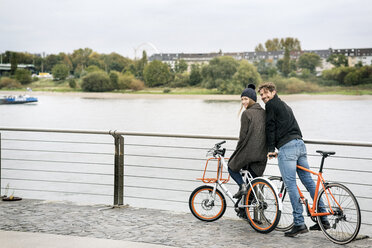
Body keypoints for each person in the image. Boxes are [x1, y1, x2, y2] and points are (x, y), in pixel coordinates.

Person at [258, 82, 329, 237]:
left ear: (273, 92)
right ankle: (324, 218)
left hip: (287, 147)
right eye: (261, 95)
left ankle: (299, 223)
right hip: (300, 145)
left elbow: (270, 127)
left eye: (265, 93)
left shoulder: (271, 106)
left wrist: (271, 150)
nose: (263, 97)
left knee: (290, 185)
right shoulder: (285, 106)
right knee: (309, 182)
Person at [228, 84, 267, 200]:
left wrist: (237, 153)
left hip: (249, 152)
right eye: (242, 99)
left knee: (231, 166)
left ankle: (241, 186)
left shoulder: (246, 114)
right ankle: (244, 210)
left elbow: (242, 137)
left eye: (245, 99)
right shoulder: (264, 112)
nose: (243, 102)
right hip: (262, 154)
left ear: (252, 99)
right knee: (251, 181)